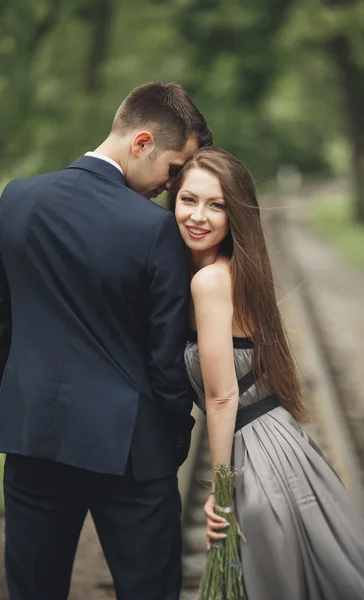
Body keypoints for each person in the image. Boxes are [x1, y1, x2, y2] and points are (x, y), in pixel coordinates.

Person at [0, 82, 213, 600]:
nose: (169, 187)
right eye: (172, 169)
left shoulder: (16, 200)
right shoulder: (154, 229)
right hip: (131, 453)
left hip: (32, 442)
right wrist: (174, 439)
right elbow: (165, 358)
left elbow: (5, 325)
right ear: (141, 142)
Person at [167, 146, 364, 600]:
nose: (199, 216)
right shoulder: (230, 270)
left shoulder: (211, 280)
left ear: (235, 214)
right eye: (189, 200)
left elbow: (221, 398)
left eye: (217, 205)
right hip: (278, 444)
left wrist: (223, 491)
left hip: (255, 459)